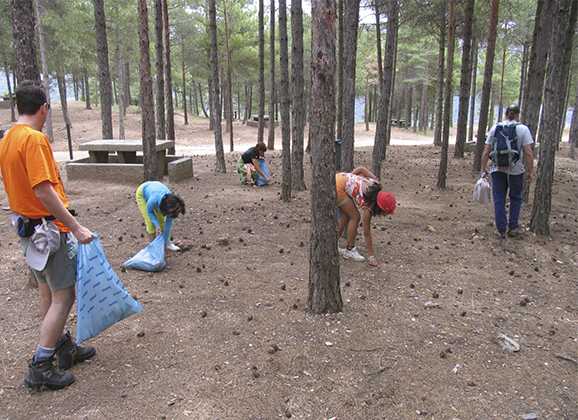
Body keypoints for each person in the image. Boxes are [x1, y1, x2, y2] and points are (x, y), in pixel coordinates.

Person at [0, 81, 95, 391]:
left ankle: (61, 345)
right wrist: (75, 227)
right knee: (64, 295)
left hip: (28, 232)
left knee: (47, 292)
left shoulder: (7, 137)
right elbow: (43, 189)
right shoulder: (34, 139)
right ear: (44, 108)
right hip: (48, 232)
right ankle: (40, 364)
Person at [481, 104, 534, 239]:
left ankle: (501, 229)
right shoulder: (523, 129)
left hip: (497, 169)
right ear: (517, 114)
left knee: (499, 198)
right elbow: (528, 153)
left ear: (506, 114)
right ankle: (513, 228)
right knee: (515, 198)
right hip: (516, 171)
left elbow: (486, 151)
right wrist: (530, 171)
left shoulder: (495, 128)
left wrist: (483, 169)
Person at [336, 167, 397, 266]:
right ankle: (350, 250)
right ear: (380, 208)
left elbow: (361, 169)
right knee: (355, 217)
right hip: (338, 188)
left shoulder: (376, 183)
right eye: (385, 213)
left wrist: (350, 178)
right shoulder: (368, 207)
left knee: (346, 216)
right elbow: (366, 233)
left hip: (339, 178)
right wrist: (371, 256)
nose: (385, 215)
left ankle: (332, 244)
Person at [135, 181, 185, 251]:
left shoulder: (172, 202)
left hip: (156, 189)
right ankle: (153, 246)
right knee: (150, 222)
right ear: (164, 209)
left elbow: (168, 224)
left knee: (161, 221)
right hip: (142, 193)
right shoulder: (153, 200)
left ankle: (167, 243)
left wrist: (168, 243)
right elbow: (150, 212)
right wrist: (156, 225)